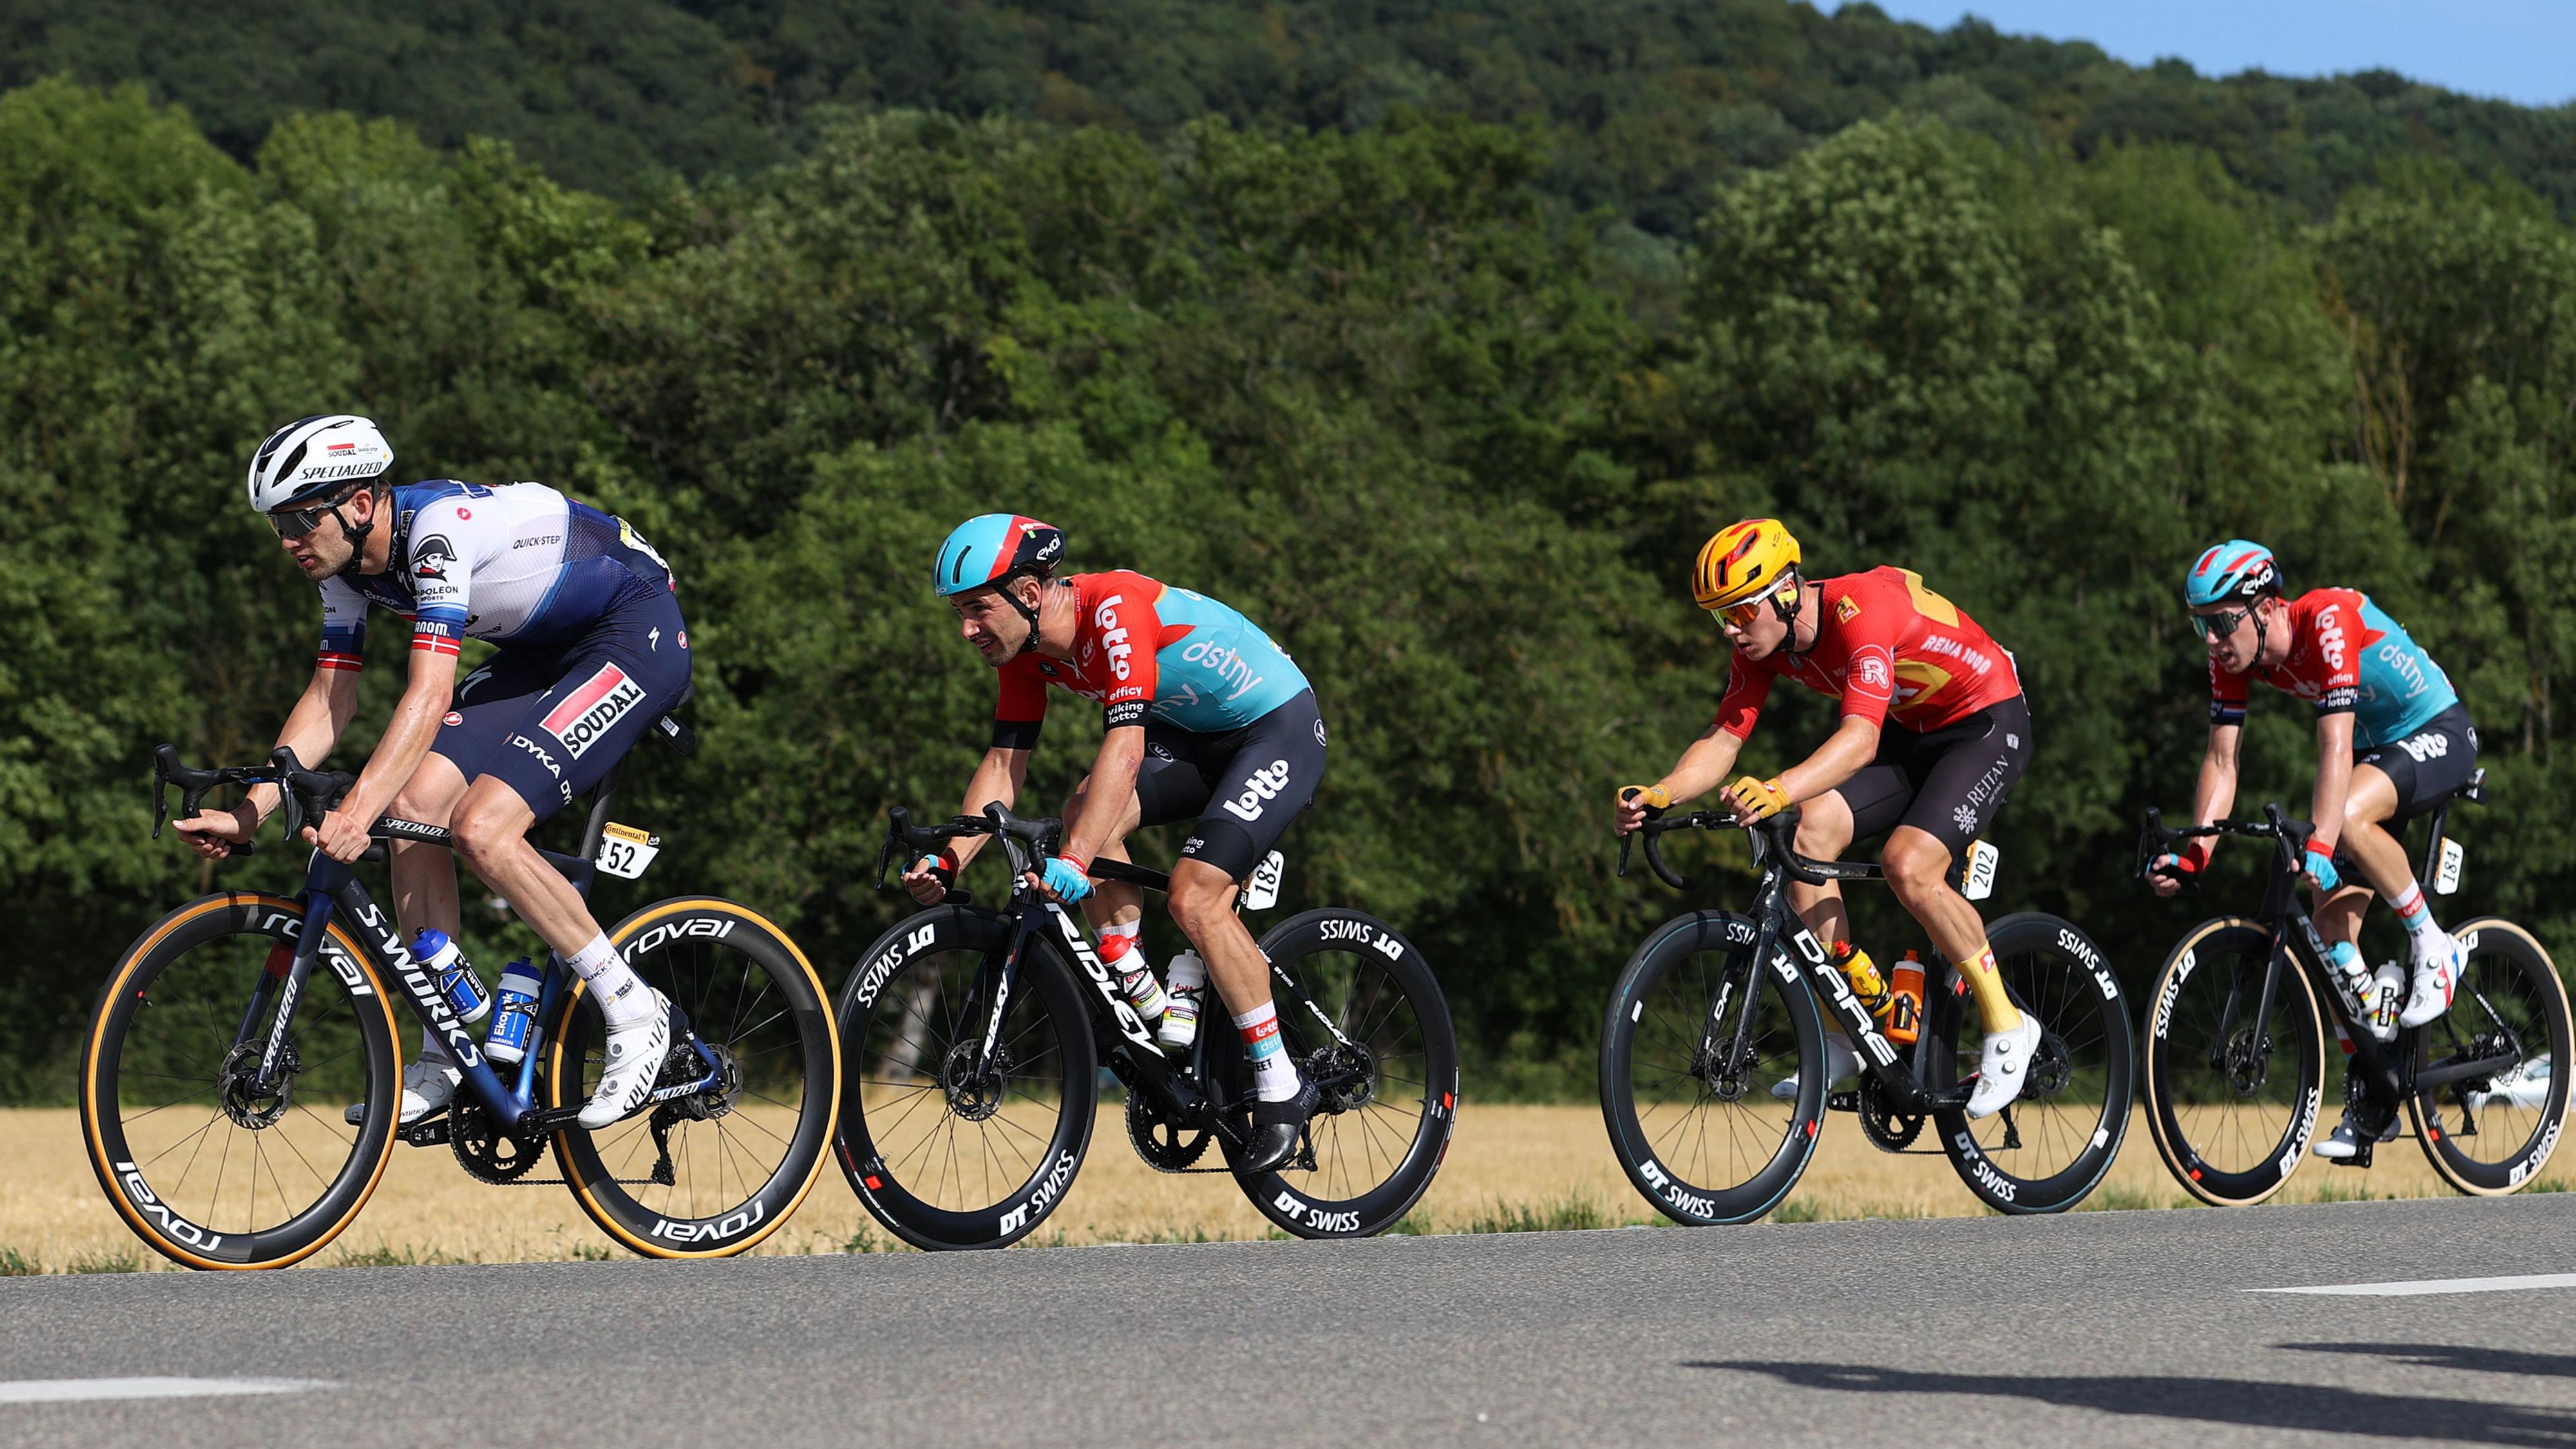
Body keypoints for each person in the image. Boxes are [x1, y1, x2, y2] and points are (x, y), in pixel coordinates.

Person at [171, 413, 691, 1130]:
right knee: (413, 811)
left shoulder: (436, 533)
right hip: (539, 655)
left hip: (633, 630)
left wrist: (352, 811)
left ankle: (635, 1010)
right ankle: (442, 1056)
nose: (287, 541)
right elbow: (331, 698)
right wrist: (252, 810)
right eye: (275, 525)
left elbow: (429, 694)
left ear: (358, 505)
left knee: (483, 828)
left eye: (297, 519)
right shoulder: (347, 569)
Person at [902, 514, 1326, 1172]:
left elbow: (1125, 744)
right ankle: (1144, 988)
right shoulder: (1025, 653)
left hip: (1274, 729)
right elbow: (1003, 766)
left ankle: (1281, 1088)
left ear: (1030, 592)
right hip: (1192, 738)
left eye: (978, 609)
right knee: (1081, 810)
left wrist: (1076, 861)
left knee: (1193, 897)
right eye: (959, 613)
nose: (967, 629)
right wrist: (950, 856)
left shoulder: (1114, 607)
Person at [1613, 518, 2041, 1117]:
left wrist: (1777, 788)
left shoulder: (1860, 611)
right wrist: (1662, 792)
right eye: (1721, 618)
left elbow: (1861, 741)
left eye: (1740, 612)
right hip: (1913, 732)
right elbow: (1724, 738)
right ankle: (1848, 1030)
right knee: (1809, 833)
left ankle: (2008, 1024)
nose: (1733, 632)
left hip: (1984, 722)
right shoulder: (1766, 645)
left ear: (1787, 592)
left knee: (1908, 865)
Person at [2150, 539, 2474, 1157]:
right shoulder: (2232, 660)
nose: (2213, 639)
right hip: (2381, 755)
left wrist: (2324, 840)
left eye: (2221, 621)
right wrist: (2197, 852)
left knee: (2343, 820)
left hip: (2437, 730)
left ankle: (2436, 947)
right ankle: (2376, 1095)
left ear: (2267, 607)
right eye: (2201, 624)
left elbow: (2336, 749)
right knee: (2328, 930)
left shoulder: (2325, 618)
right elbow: (2222, 759)